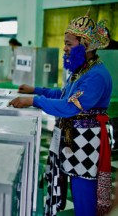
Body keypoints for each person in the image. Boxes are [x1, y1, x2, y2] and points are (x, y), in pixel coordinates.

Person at [9, 14, 112, 216]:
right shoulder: (81, 70)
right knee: (74, 182)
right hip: (73, 139)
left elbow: (69, 106)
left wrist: (33, 100)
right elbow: (63, 94)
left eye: (68, 44)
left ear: (86, 45)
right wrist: (36, 90)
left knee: (83, 189)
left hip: (86, 141)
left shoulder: (96, 76)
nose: (64, 48)